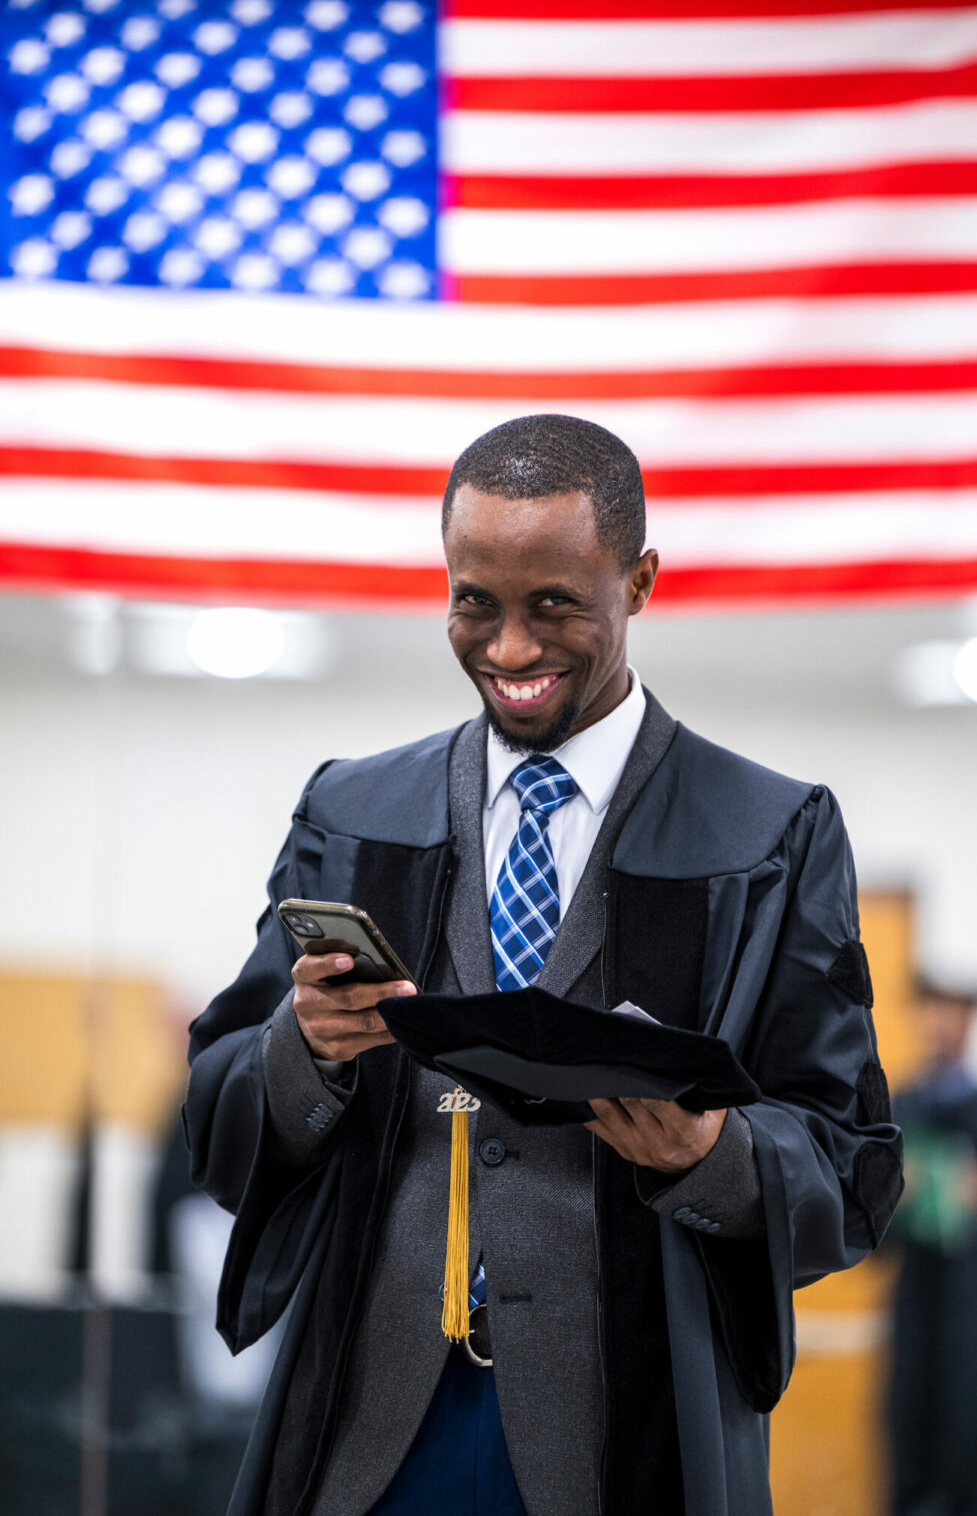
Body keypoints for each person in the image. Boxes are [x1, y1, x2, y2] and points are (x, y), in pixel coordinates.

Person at [185, 414, 903, 1516]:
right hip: (369, 1425)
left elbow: (850, 1164)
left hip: (624, 1430)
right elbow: (219, 1101)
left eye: (555, 604)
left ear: (640, 583)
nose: (510, 649)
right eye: (475, 601)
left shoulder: (766, 834)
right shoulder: (352, 813)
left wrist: (711, 1154)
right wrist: (303, 1051)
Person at [887, 975, 977, 1516]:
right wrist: (897, 1194)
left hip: (976, 1317)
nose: (943, 1023)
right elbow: (866, 1234)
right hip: (914, 1311)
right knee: (906, 1446)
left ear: (972, 1020)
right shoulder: (900, 1110)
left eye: (956, 1011)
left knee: (968, 1449)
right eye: (934, 1010)